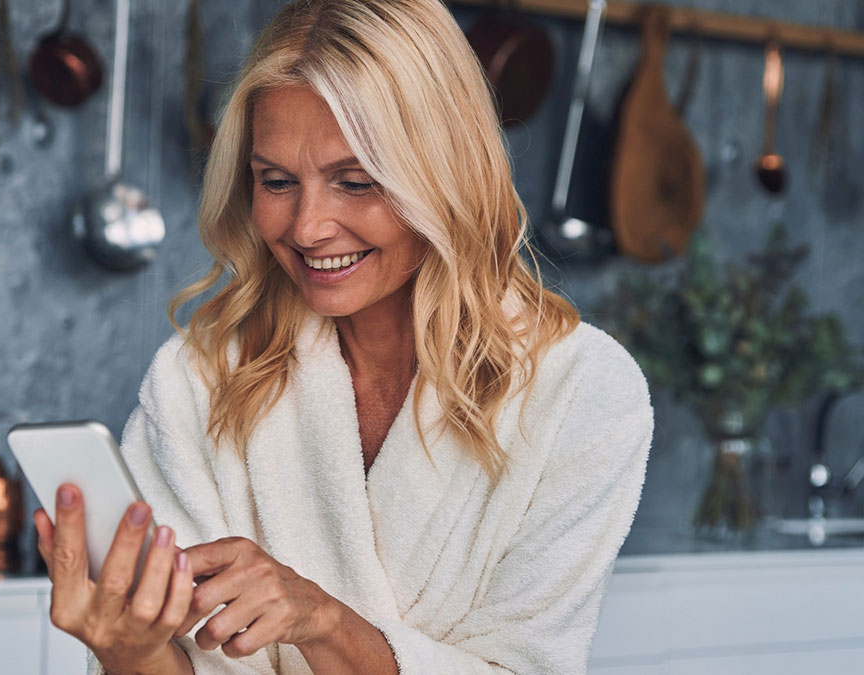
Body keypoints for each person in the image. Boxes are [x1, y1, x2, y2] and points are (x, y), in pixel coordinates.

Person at [32, 0, 654, 673]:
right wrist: (132, 650)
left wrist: (323, 621)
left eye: (354, 182)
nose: (307, 227)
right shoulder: (200, 379)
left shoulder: (582, 392)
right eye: (276, 181)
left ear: (446, 174)